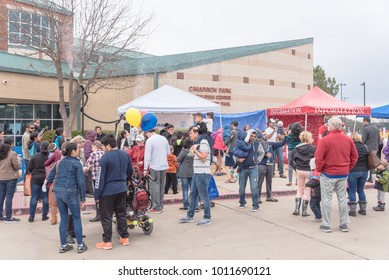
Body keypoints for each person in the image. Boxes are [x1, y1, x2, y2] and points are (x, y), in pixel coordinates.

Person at [315, 117, 358, 233]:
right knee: (342, 198)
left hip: (328, 173)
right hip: (343, 173)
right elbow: (355, 156)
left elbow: (318, 158)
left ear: (331, 126)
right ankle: (344, 223)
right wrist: (348, 167)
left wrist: (320, 169)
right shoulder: (348, 139)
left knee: (327, 199)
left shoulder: (325, 140)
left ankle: (326, 224)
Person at [47, 142, 88, 254]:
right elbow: (81, 182)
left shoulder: (59, 163)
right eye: (78, 148)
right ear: (73, 151)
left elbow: (50, 178)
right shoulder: (77, 163)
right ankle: (80, 245)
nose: (79, 150)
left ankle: (63, 245)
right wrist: (83, 198)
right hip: (71, 192)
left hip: (58, 192)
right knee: (76, 218)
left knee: (63, 218)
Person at [94, 134, 133, 250]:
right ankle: (124, 237)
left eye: (103, 147)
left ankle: (107, 241)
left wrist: (97, 194)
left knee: (106, 216)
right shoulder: (125, 155)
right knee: (121, 213)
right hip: (122, 188)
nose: (102, 149)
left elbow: (100, 178)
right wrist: (126, 180)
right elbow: (130, 171)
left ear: (108, 146)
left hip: (107, 191)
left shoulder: (105, 158)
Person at [179, 126, 212, 225]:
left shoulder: (204, 142)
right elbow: (195, 156)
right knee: (192, 194)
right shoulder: (197, 143)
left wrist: (195, 150)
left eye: (191, 133)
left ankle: (207, 217)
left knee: (203, 195)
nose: (190, 135)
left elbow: (203, 158)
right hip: (196, 172)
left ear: (197, 133)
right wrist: (193, 151)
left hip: (202, 173)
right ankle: (190, 216)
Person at [234, 129, 264, 212]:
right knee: (242, 188)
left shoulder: (257, 144)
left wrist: (257, 161)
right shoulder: (241, 143)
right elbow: (235, 152)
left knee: (254, 187)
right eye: (252, 135)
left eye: (255, 136)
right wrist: (237, 160)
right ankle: (242, 202)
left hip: (253, 168)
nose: (253, 138)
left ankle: (255, 205)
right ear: (248, 135)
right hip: (242, 168)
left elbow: (262, 152)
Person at [143, 128, 170, 214]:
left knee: (154, 187)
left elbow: (147, 156)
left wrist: (144, 169)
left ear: (148, 132)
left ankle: (156, 207)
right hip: (163, 165)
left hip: (154, 166)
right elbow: (168, 153)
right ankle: (160, 205)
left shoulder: (149, 141)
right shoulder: (163, 138)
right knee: (161, 186)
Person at [291, 131, 316, 217]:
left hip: (299, 170)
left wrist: (296, 168)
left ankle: (296, 209)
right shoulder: (313, 148)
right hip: (309, 171)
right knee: (307, 190)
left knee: (299, 189)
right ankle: (304, 211)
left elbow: (291, 161)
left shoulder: (296, 148)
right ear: (309, 138)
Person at [257, 131, 287, 203]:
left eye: (265, 135)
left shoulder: (271, 144)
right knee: (260, 182)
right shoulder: (257, 144)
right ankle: (258, 197)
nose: (264, 136)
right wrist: (265, 155)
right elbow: (256, 153)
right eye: (263, 135)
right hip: (261, 164)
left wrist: (286, 137)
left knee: (269, 181)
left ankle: (269, 196)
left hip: (270, 164)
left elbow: (281, 143)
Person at [347, 132, 369, 216]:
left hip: (353, 171)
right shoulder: (365, 147)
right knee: (361, 190)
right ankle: (363, 209)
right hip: (364, 171)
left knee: (352, 190)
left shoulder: (350, 147)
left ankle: (352, 211)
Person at [0, 137, 21, 223]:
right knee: (9, 198)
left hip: (1, 177)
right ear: (11, 144)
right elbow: (16, 166)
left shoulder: (1, 152)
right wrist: (19, 161)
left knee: (1, 197)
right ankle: (8, 217)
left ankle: (1, 217)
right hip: (11, 178)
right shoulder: (12, 153)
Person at [27, 141, 50, 222]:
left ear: (40, 147)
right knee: (45, 197)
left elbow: (29, 168)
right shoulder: (49, 157)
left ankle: (31, 216)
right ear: (48, 148)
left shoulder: (34, 156)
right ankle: (44, 215)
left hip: (35, 178)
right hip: (45, 179)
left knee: (34, 197)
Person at [85, 140, 105, 222]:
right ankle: (104, 214)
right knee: (103, 195)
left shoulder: (93, 154)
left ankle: (98, 215)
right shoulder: (104, 153)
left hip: (95, 177)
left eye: (92, 146)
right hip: (103, 177)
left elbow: (88, 164)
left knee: (97, 196)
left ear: (95, 146)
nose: (91, 148)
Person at [177, 137, 194, 210]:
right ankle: (194, 205)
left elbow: (178, 160)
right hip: (192, 171)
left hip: (184, 172)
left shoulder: (183, 151)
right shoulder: (193, 151)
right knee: (192, 189)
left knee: (185, 189)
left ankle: (186, 204)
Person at [361, 117, 380, 183]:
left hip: (367, 148)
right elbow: (379, 139)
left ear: (366, 121)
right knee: (373, 163)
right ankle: (371, 178)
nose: (363, 123)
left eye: (363, 121)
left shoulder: (365, 129)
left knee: (366, 163)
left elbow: (363, 140)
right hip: (375, 148)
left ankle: (366, 178)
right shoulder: (376, 128)